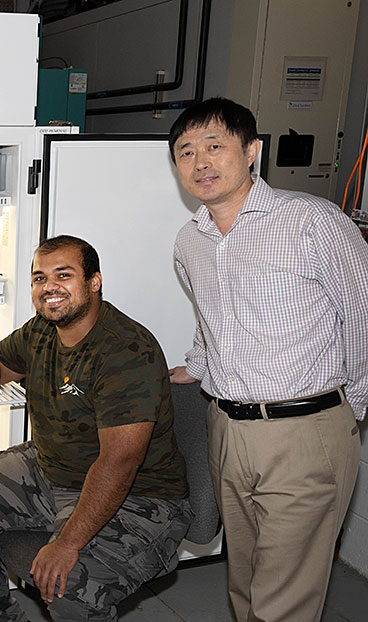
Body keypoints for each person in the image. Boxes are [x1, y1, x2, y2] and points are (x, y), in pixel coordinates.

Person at [168, 97, 368, 622]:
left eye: (215, 146)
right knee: (245, 582)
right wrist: (200, 363)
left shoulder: (313, 222)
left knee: (284, 600)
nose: (201, 162)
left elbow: (364, 314)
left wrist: (347, 411)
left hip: (305, 429)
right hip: (228, 429)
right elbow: (211, 316)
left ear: (252, 151)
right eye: (185, 151)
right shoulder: (191, 242)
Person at [0, 235, 192, 622]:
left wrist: (67, 542)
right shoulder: (41, 330)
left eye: (64, 275)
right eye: (39, 278)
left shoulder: (125, 351)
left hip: (139, 499)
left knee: (67, 583)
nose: (49, 287)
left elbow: (120, 463)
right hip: (53, 470)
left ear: (94, 282)